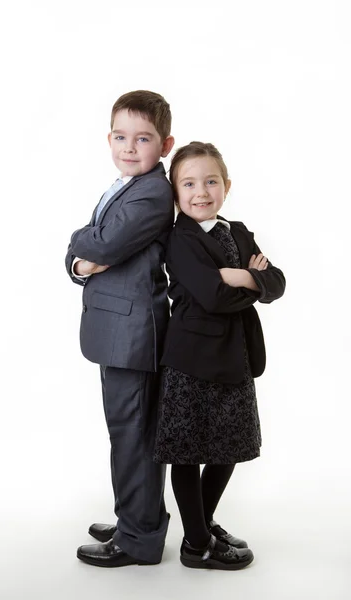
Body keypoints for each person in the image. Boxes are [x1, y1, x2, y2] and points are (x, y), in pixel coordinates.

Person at [153, 141, 286, 570]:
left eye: (211, 181)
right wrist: (254, 281)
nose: (201, 192)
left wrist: (240, 275)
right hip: (191, 362)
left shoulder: (239, 231)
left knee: (229, 447)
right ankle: (196, 545)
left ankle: (203, 523)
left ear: (226, 185)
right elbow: (211, 295)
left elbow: (278, 282)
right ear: (176, 193)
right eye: (188, 183)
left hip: (235, 359)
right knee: (189, 452)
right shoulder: (180, 240)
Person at [65, 90, 175, 567]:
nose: (129, 147)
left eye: (143, 138)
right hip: (119, 331)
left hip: (133, 335)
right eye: (120, 136)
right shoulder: (129, 185)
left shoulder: (153, 191)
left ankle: (139, 539)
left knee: (133, 435)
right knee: (129, 433)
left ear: (164, 145)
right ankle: (136, 517)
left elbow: (103, 244)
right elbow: (91, 254)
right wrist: (81, 261)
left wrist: (78, 245)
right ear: (108, 137)